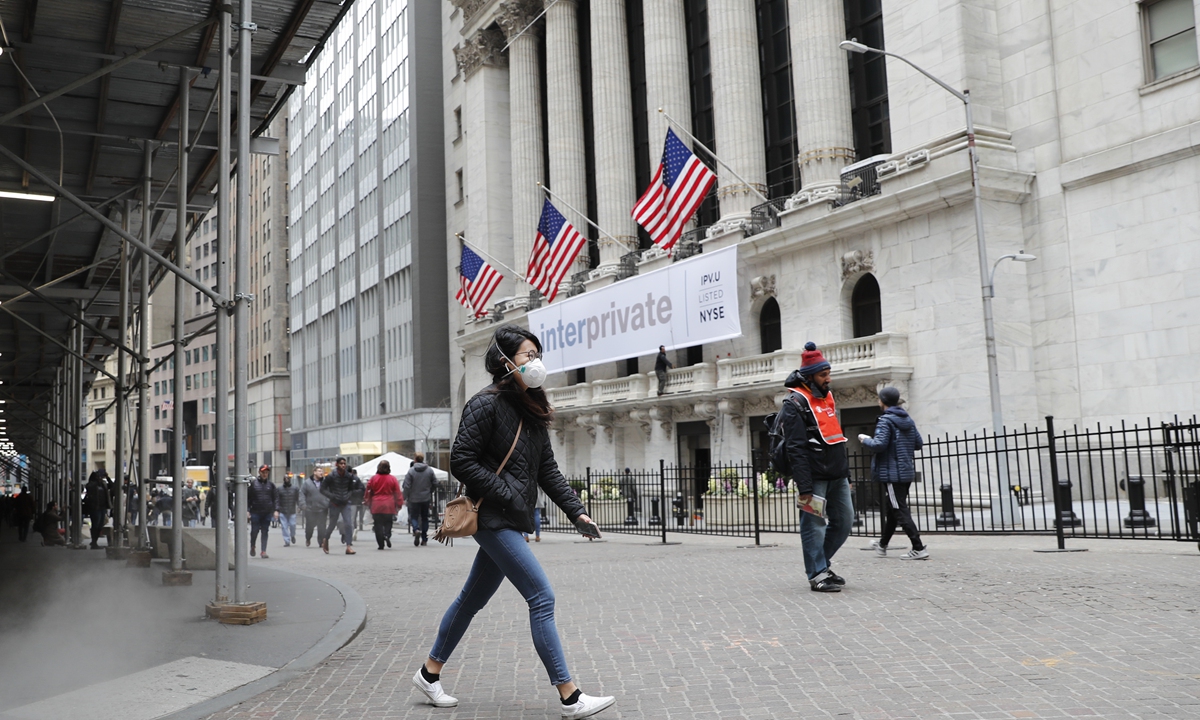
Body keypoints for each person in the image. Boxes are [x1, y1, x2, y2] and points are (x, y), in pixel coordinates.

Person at [413, 324, 614, 719]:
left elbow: (548, 471)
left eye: (537, 354)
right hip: (492, 517)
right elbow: (461, 460)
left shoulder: (534, 409)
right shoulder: (483, 404)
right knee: (541, 596)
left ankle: (428, 673)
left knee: (470, 600)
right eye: (527, 355)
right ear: (505, 361)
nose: (535, 362)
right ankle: (570, 696)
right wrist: (504, 492)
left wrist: (577, 511)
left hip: (511, 518)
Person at [779, 341, 853, 593]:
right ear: (809, 376)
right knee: (814, 525)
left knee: (845, 521)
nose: (828, 379)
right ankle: (817, 574)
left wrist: (847, 473)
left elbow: (836, 435)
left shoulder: (828, 397)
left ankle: (821, 563)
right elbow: (795, 449)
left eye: (828, 373)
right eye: (823, 375)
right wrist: (804, 486)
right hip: (813, 478)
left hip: (837, 474)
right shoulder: (794, 403)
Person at [860, 386, 929, 560]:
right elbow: (918, 443)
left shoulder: (885, 421)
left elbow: (879, 445)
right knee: (893, 509)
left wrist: (865, 439)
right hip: (905, 472)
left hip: (891, 474)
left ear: (882, 401)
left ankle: (918, 547)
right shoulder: (908, 420)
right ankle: (882, 545)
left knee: (898, 509)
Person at [320, 457, 360, 555]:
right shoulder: (331, 476)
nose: (343, 465)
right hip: (335, 503)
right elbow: (322, 489)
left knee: (348, 523)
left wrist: (348, 495)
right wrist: (332, 496)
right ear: (337, 465)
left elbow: (351, 489)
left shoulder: (349, 476)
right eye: (341, 463)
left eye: (344, 463)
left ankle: (348, 546)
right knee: (332, 524)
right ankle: (326, 539)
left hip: (346, 503)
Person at [365, 460, 403, 550]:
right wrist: (399, 504)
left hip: (376, 503)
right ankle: (387, 535)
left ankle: (380, 544)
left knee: (378, 524)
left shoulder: (373, 478)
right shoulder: (392, 479)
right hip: (389, 504)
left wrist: (367, 502)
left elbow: (368, 491)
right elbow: (397, 492)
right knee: (388, 522)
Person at [402, 453, 437, 547]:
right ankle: (424, 539)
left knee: (413, 516)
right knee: (425, 518)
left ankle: (416, 529)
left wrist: (405, 496)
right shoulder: (429, 470)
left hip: (413, 498)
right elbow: (435, 482)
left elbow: (407, 486)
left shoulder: (411, 471)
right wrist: (430, 491)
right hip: (426, 498)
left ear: (415, 460)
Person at [247, 465, 279, 558]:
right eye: (263, 472)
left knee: (265, 531)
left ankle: (263, 551)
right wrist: (247, 510)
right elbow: (248, 498)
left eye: (266, 472)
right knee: (254, 531)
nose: (265, 474)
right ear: (259, 473)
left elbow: (276, 498)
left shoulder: (271, 485)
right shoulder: (253, 484)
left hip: (267, 512)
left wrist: (276, 510)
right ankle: (253, 545)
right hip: (255, 512)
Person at [300, 469, 329, 547]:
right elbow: (302, 494)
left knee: (322, 526)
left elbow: (330, 493)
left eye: (322, 471)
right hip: (310, 508)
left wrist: (327, 502)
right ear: (314, 472)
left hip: (322, 508)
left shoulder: (325, 483)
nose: (321, 472)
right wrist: (303, 504)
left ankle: (321, 542)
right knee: (310, 526)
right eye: (319, 471)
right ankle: (308, 538)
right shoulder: (307, 483)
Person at [84, 469, 111, 548]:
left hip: (102, 507)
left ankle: (94, 541)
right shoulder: (91, 484)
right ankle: (94, 542)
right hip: (95, 507)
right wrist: (97, 480)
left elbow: (112, 486)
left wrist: (107, 477)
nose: (100, 478)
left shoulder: (103, 484)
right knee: (95, 525)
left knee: (100, 525)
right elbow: (89, 488)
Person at [277, 473, 301, 546]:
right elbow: (277, 500)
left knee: (292, 525)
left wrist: (299, 506)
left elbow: (298, 498)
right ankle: (287, 541)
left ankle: (292, 535)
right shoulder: (279, 489)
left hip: (291, 510)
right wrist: (277, 509)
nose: (287, 480)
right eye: (285, 478)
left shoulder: (295, 488)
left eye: (288, 478)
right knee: (284, 527)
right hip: (283, 510)